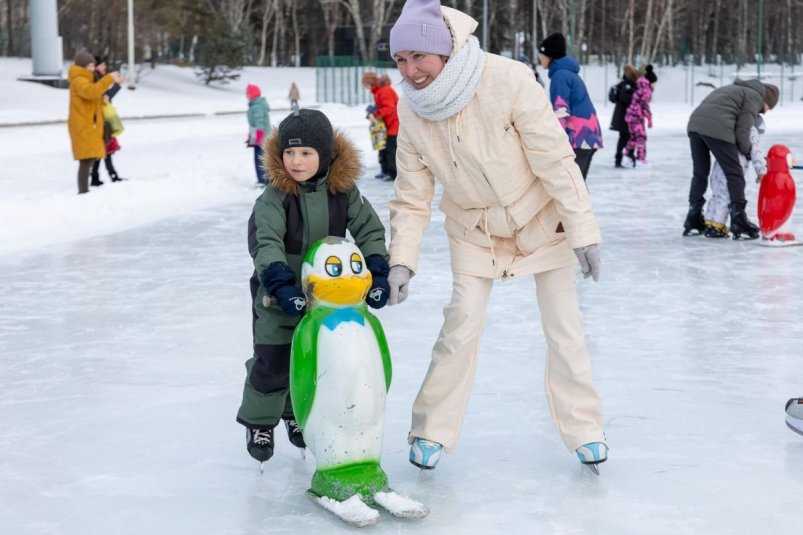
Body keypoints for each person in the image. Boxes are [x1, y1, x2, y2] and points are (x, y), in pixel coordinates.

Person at [387, 0, 608, 473]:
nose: (410, 71)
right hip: (474, 231)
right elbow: (411, 195)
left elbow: (556, 160)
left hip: (541, 221)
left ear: (445, 50)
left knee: (565, 327)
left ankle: (585, 428)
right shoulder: (412, 111)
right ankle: (430, 431)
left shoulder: (508, 80)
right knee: (460, 325)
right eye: (400, 60)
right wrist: (402, 260)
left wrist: (583, 233)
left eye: (418, 58)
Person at [236, 108, 391, 464]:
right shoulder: (274, 196)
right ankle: (260, 421)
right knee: (273, 360)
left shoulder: (344, 191)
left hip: (331, 298)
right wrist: (281, 284)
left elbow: (369, 230)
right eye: (289, 153)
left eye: (306, 153)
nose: (296, 161)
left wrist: (378, 271)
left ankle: (297, 414)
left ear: (326, 155)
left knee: (317, 361)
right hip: (278, 298)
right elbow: (266, 242)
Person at [683, 79, 779, 237]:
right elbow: (744, 129)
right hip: (717, 127)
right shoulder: (754, 96)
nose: (766, 111)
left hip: (695, 125)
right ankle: (738, 221)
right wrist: (747, 152)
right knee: (735, 173)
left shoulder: (734, 89)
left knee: (700, 173)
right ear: (766, 99)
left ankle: (693, 218)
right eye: (769, 107)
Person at [538, 32, 602, 181]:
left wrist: (557, 141)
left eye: (542, 54)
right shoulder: (567, 73)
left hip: (579, 137)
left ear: (550, 55)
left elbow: (561, 111)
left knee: (572, 188)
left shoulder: (560, 76)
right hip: (587, 135)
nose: (540, 58)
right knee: (576, 187)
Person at [67, 50, 123, 194]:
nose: (92, 68)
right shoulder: (79, 79)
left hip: (89, 123)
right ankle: (83, 191)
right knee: (86, 159)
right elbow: (91, 92)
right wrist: (108, 79)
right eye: (90, 66)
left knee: (92, 155)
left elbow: (94, 95)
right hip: (84, 124)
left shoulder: (86, 78)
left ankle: (88, 186)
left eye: (93, 65)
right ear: (82, 66)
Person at [703, 116, 767, 238]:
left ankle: (709, 223)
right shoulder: (752, 131)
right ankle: (717, 226)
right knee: (726, 196)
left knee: (717, 194)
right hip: (733, 169)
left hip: (719, 166)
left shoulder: (736, 129)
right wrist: (761, 171)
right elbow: (755, 152)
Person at [90, 56, 125, 186]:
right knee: (104, 148)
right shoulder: (94, 79)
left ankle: (102, 176)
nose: (104, 67)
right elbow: (105, 98)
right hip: (99, 120)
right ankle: (102, 177)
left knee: (105, 149)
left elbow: (105, 98)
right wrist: (117, 85)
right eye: (102, 65)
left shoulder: (98, 78)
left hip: (102, 119)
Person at [362, 72, 399, 181]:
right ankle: (385, 170)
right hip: (385, 126)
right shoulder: (378, 91)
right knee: (382, 148)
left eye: (366, 84)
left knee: (390, 150)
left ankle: (393, 173)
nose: (366, 87)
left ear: (370, 82)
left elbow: (389, 108)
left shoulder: (384, 91)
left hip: (393, 125)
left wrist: (376, 114)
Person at [623, 65, 656, 168]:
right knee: (641, 137)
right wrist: (649, 117)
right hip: (635, 116)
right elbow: (643, 103)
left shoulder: (641, 84)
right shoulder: (646, 87)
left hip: (633, 115)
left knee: (634, 138)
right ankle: (640, 160)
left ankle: (627, 157)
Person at [609, 64, 638, 168]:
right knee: (626, 137)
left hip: (626, 116)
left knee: (626, 137)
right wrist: (636, 97)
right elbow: (624, 98)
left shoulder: (627, 83)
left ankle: (624, 158)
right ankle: (624, 158)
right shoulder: (627, 84)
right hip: (625, 116)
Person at [245, 83, 270, 187]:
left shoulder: (257, 107)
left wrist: (258, 137)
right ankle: (264, 179)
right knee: (261, 158)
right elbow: (253, 125)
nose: (246, 95)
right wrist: (250, 137)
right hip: (259, 138)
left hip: (261, 139)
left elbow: (259, 124)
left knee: (259, 159)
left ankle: (262, 180)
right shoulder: (255, 106)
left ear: (252, 94)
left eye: (247, 93)